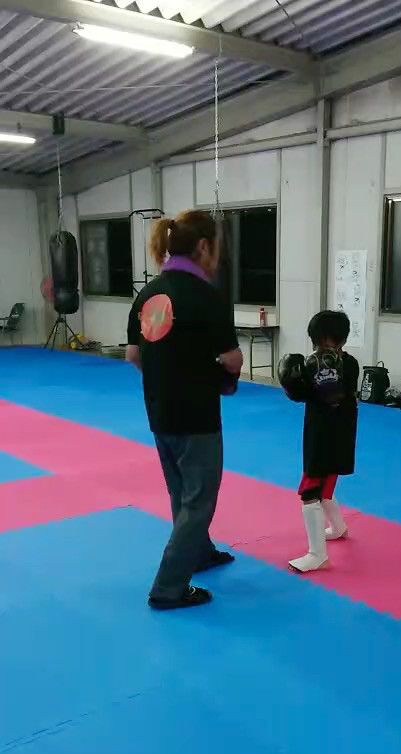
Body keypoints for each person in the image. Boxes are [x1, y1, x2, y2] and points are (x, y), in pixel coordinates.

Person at [127, 210, 243, 609]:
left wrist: (167, 373)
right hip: (197, 416)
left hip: (159, 411)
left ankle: (200, 552)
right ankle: (168, 588)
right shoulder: (206, 295)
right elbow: (232, 359)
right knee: (199, 501)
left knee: (181, 492)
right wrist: (217, 372)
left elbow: (133, 355)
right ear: (204, 247)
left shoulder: (149, 293)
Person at [278, 310, 359, 573]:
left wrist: (317, 375)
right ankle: (338, 527)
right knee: (325, 488)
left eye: (324, 340)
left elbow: (334, 396)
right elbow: (304, 395)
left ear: (336, 340)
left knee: (310, 492)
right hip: (331, 434)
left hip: (327, 436)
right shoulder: (320, 364)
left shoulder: (346, 365)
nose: (320, 347)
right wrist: (293, 382)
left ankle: (317, 555)